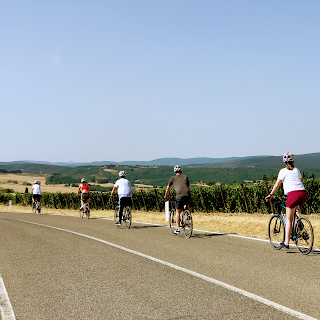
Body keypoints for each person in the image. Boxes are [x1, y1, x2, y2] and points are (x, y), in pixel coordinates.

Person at [265, 152, 307, 249]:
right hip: (303, 194)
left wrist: (270, 195)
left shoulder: (282, 171)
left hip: (292, 195)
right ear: (293, 160)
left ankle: (286, 243)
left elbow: (277, 185)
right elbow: (298, 179)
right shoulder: (296, 169)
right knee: (295, 208)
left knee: (289, 220)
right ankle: (299, 221)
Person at [164, 165, 191, 235]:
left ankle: (178, 228)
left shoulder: (172, 178)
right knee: (186, 204)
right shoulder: (186, 177)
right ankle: (188, 216)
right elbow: (188, 187)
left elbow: (168, 188)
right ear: (181, 171)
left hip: (179, 195)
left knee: (178, 212)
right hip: (187, 194)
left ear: (175, 172)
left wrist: (166, 196)